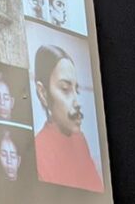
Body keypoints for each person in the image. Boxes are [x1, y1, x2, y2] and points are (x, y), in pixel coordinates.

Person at [32, 45, 103, 191]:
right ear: (43, 93)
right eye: (65, 89)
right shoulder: (37, 151)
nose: (77, 102)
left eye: (76, 90)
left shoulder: (80, 140)